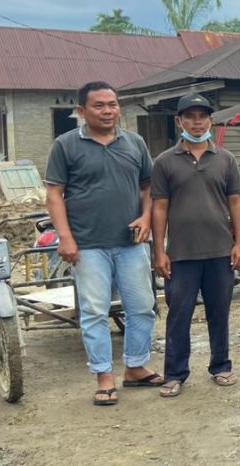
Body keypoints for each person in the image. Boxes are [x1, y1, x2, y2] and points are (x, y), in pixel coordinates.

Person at [45, 81, 160, 406]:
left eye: (112, 104)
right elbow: (54, 194)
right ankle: (104, 375)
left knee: (142, 308)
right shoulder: (65, 145)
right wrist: (65, 238)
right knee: (95, 311)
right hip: (87, 245)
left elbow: (148, 186)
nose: (108, 110)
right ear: (82, 111)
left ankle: (135, 367)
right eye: (99, 105)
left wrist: (146, 217)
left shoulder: (134, 143)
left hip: (130, 243)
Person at [151, 93, 240, 397]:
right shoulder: (165, 162)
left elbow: (235, 202)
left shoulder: (225, 159)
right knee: (179, 314)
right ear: (179, 121)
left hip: (220, 251)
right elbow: (160, 208)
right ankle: (175, 374)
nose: (196, 122)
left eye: (202, 116)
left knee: (219, 312)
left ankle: (221, 366)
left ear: (210, 120)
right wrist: (159, 250)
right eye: (190, 117)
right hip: (181, 254)